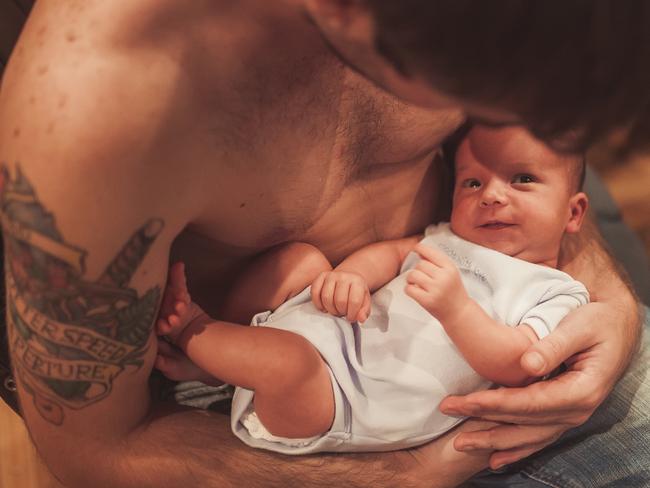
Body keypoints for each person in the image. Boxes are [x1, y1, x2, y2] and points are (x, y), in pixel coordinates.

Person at [0, 0, 647, 486]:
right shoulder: (91, 111)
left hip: (486, 353)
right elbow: (98, 449)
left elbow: (538, 168)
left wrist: (609, 306)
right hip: (246, 417)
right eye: (477, 89)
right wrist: (408, 470)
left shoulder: (484, 22)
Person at [154, 125, 590, 454]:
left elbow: (518, 365)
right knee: (298, 260)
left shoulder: (555, 292)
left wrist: (457, 311)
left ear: (574, 212)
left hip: (341, 401)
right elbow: (388, 256)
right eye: (472, 183)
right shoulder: (443, 238)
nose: (491, 195)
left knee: (290, 364)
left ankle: (196, 330)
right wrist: (353, 276)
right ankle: (218, 371)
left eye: (523, 180)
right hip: (332, 331)